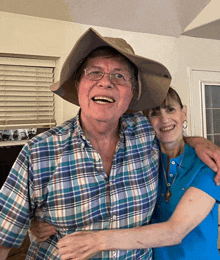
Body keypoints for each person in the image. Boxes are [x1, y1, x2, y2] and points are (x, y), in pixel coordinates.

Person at [0, 28, 219, 260]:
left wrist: (201, 142)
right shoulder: (39, 152)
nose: (105, 82)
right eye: (94, 73)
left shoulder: (145, 132)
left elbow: (170, 133)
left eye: (119, 76)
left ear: (132, 94)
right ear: (78, 84)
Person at [55, 87, 220, 260]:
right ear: (146, 121)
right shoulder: (144, 158)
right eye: (155, 114)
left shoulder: (208, 164)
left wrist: (98, 241)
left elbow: (175, 231)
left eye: (170, 110)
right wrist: (57, 219)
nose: (164, 119)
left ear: (183, 113)